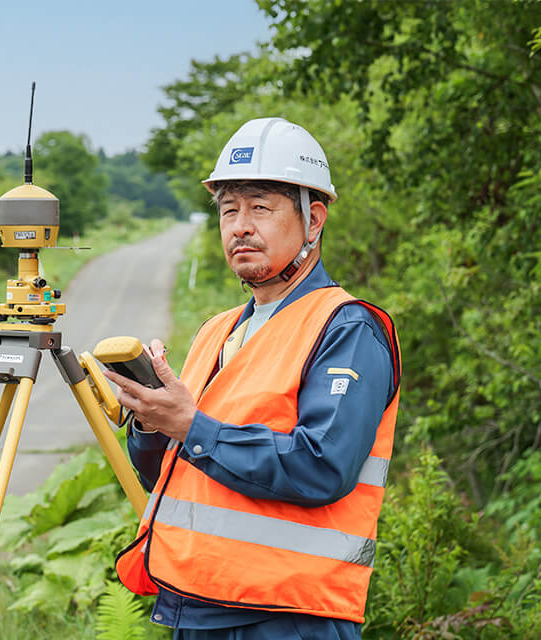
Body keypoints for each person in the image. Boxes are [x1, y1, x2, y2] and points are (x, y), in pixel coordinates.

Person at [103, 117, 400, 640]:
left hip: (288, 617)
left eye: (260, 207)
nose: (240, 225)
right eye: (228, 209)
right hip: (195, 604)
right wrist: (151, 420)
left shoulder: (347, 328)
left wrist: (190, 425)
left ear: (314, 219)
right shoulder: (216, 331)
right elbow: (166, 477)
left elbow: (322, 468)